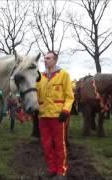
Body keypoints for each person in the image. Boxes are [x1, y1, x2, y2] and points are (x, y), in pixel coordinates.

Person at [36, 51, 74, 179]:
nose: (45, 60)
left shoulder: (64, 75)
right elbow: (35, 95)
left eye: (48, 58)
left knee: (59, 145)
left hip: (58, 117)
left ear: (55, 60)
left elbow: (69, 96)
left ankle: (61, 171)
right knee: (46, 145)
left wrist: (66, 110)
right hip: (43, 116)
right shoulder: (40, 77)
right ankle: (52, 168)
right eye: (45, 58)